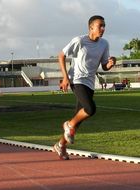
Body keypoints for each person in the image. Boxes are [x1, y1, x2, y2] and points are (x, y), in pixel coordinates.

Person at [53, 15, 116, 160]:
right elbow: (61, 55)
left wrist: (111, 63)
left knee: (79, 120)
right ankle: (67, 124)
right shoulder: (79, 41)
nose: (103, 29)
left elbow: (104, 66)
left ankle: (61, 145)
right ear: (91, 27)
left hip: (89, 83)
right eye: (100, 25)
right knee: (90, 109)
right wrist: (65, 77)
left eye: (104, 26)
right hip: (76, 79)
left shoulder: (104, 44)